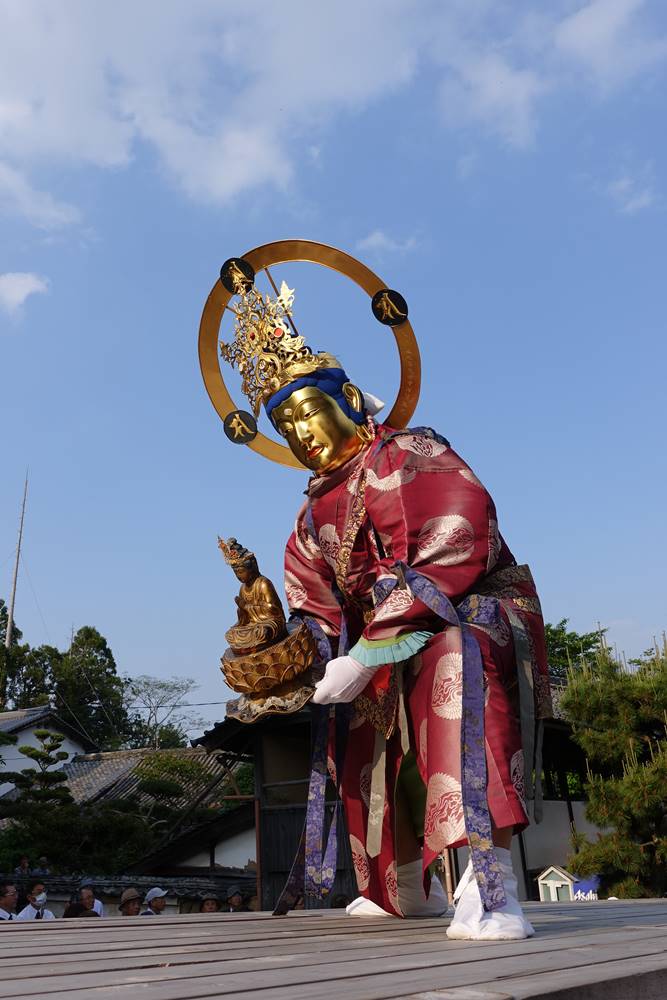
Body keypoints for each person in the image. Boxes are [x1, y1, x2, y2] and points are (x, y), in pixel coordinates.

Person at [215, 264, 552, 941]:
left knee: (450, 664)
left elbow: (454, 543)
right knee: (356, 716)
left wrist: (368, 650)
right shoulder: (309, 517)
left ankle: (489, 885)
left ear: (348, 399)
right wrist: (284, 650)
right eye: (284, 424)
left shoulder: (407, 453)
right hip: (380, 641)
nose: (301, 433)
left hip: (466, 611)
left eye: (308, 411)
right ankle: (400, 883)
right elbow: (317, 611)